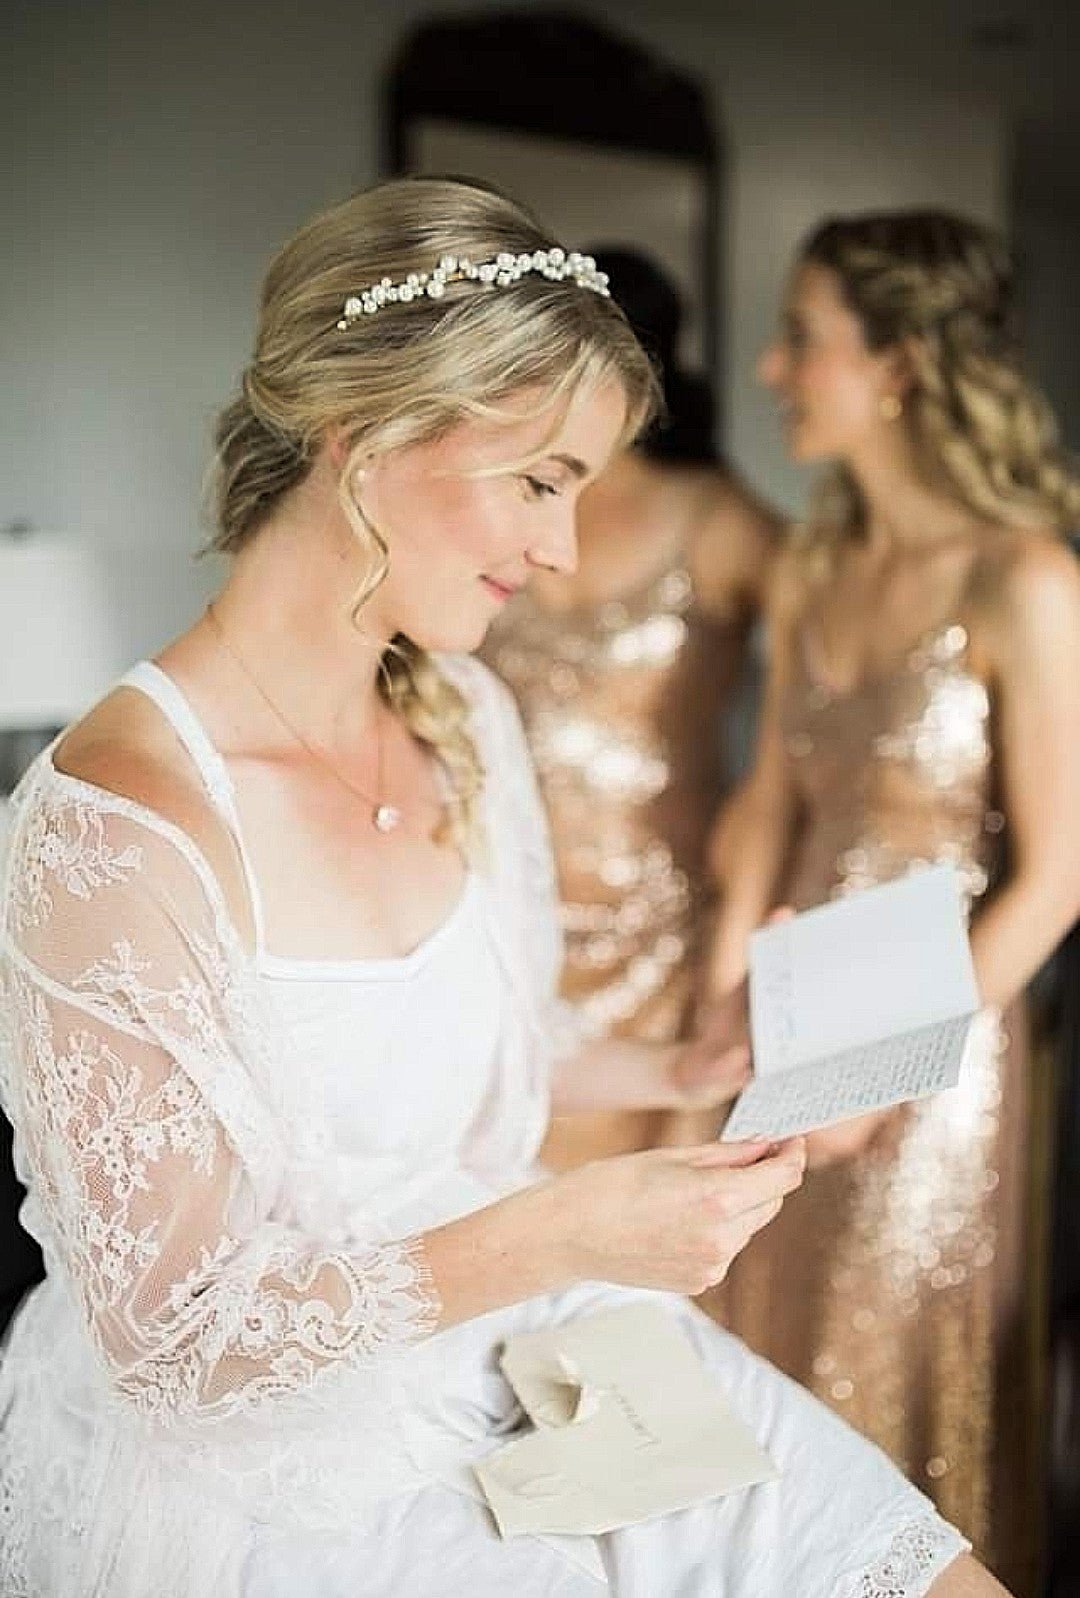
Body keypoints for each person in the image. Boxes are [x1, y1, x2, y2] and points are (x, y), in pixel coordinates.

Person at [0, 178, 1007, 1597]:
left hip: (533, 1335)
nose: (560, 548)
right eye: (542, 479)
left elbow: (478, 1055)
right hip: (262, 1477)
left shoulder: (464, 715)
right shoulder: (119, 825)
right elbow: (175, 1343)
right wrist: (555, 1230)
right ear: (367, 429)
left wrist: (704, 1058)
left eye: (580, 491)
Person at [705, 208, 1080, 1595]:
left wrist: (880, 1053)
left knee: (894, 1363)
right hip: (792, 1020)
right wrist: (719, 1001)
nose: (770, 368)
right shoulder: (813, 563)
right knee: (765, 1345)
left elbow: (1058, 876)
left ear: (904, 365)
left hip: (942, 1047)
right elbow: (766, 810)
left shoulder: (1025, 578)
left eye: (802, 339)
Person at [485, 247, 780, 1170]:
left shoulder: (719, 520)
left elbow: (837, 688)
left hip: (662, 943)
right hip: (505, 920)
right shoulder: (501, 509)